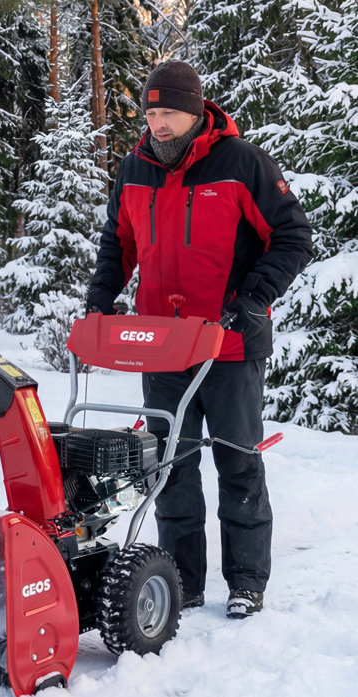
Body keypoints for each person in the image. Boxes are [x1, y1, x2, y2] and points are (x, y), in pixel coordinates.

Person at [86, 61, 313, 619]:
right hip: (162, 344)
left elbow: (292, 235)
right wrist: (100, 299)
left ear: (195, 112)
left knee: (238, 464)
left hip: (228, 344)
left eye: (169, 113)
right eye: (151, 114)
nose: (158, 124)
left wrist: (254, 297)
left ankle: (246, 582)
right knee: (171, 466)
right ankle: (183, 581)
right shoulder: (134, 169)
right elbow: (118, 244)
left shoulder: (241, 163)